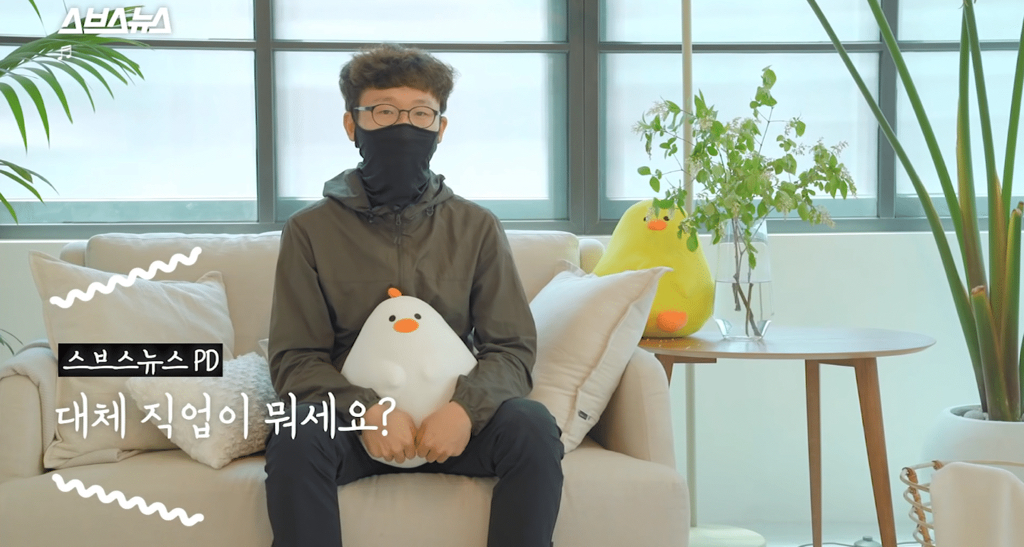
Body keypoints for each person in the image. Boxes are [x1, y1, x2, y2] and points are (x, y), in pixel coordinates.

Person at [263, 43, 564, 547]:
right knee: (294, 428)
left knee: (532, 425)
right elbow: (295, 358)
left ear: (440, 127)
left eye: (420, 113)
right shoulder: (309, 231)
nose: (403, 126)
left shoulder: (477, 227)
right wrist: (366, 412)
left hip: (456, 426)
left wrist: (464, 410)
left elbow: (512, 349)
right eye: (384, 111)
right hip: (354, 428)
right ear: (352, 124)